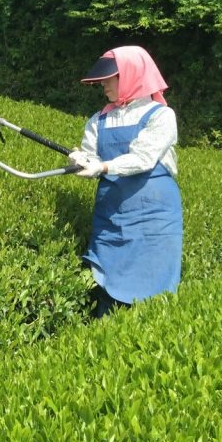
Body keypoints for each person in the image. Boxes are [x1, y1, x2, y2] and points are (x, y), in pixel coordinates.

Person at [68, 46, 183, 317]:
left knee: (153, 287)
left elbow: (144, 157)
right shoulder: (99, 119)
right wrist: (80, 159)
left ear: (131, 76)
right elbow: (91, 154)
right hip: (111, 214)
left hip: (154, 216)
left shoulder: (161, 116)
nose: (104, 84)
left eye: (110, 78)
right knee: (105, 279)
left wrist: (104, 166)